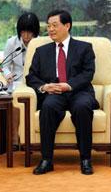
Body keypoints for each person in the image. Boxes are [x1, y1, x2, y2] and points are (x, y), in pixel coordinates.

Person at [26, 10, 99, 175]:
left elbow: (88, 73)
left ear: (67, 26)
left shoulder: (84, 48)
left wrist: (69, 85)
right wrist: (44, 87)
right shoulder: (41, 51)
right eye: (48, 26)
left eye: (54, 25)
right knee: (48, 107)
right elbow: (31, 76)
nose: (50, 29)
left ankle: (86, 159)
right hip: (54, 93)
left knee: (82, 107)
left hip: (78, 91)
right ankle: (46, 160)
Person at [2, 12, 40, 150]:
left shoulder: (41, 43)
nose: (26, 36)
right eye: (23, 32)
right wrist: (7, 75)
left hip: (35, 82)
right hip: (16, 82)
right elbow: (5, 65)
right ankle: (14, 138)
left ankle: (29, 139)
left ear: (35, 32)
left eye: (29, 32)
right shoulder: (12, 42)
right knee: (15, 103)